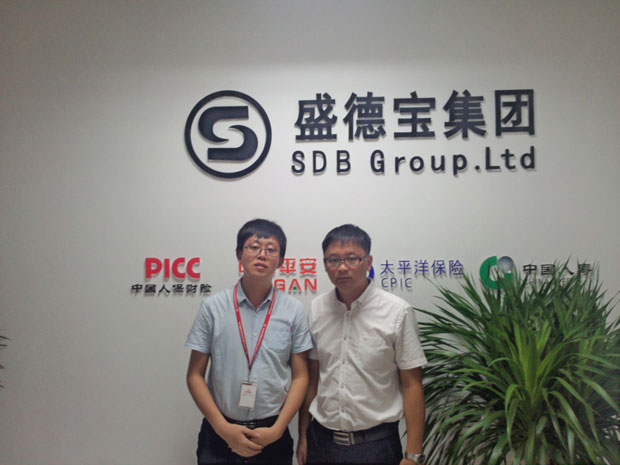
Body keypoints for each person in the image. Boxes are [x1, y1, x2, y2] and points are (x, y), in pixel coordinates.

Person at [297, 224, 427, 465]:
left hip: (376, 446)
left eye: (352, 258)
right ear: (324, 264)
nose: (342, 267)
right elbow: (313, 379)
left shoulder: (397, 311)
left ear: (368, 262)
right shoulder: (317, 308)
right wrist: (303, 435)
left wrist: (413, 456)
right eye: (333, 260)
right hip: (321, 443)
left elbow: (412, 384)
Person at [185, 218, 312, 465]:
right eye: (254, 247)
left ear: (281, 261)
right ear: (239, 255)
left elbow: (301, 376)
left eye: (271, 249)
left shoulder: (293, 310)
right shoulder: (213, 307)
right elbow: (194, 375)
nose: (262, 255)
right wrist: (222, 428)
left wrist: (278, 429)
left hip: (272, 434)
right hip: (219, 434)